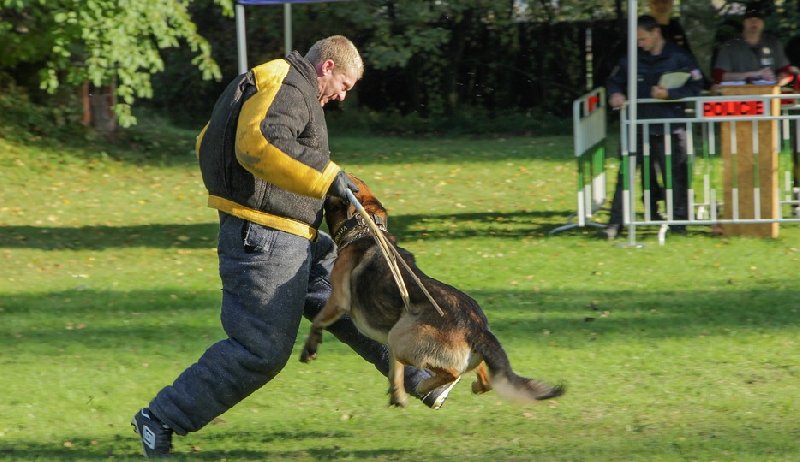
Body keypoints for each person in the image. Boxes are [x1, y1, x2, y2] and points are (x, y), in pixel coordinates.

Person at [130, 35, 454, 457]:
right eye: (345, 85)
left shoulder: (280, 86)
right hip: (264, 242)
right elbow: (258, 143)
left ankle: (422, 379)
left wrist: (327, 184)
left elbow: (210, 139)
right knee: (260, 350)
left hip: (294, 237)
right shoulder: (286, 83)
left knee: (356, 303)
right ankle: (161, 418)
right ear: (327, 68)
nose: (341, 96)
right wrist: (324, 176)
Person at [601, 15, 704, 240]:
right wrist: (615, 94)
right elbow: (614, 81)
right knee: (625, 176)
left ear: (656, 32)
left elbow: (697, 86)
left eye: (643, 38)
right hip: (637, 126)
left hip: (671, 126)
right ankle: (615, 224)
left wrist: (671, 95)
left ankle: (679, 223)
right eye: (637, 40)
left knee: (676, 176)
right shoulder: (631, 58)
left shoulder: (679, 57)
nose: (640, 44)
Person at [712, 5, 799, 86]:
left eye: (758, 19)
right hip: (738, 96)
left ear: (763, 23)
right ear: (744, 22)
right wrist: (752, 75)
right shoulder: (730, 46)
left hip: (769, 95)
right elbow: (719, 76)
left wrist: (780, 80)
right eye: (750, 19)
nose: (754, 23)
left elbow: (786, 71)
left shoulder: (773, 44)